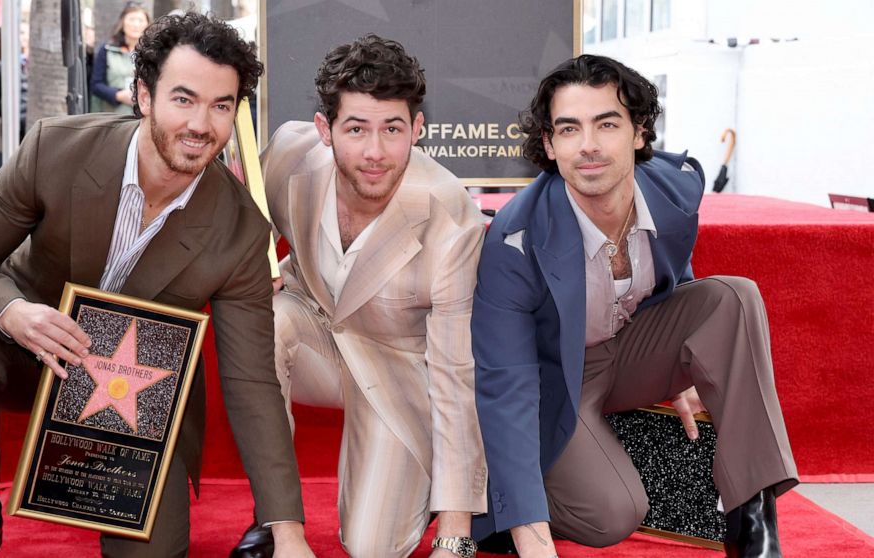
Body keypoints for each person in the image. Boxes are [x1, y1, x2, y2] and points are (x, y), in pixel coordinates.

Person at [0, 13, 312, 558]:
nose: (201, 124)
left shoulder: (242, 230)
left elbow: (251, 382)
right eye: (184, 99)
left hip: (139, 400)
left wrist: (288, 531)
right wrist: (14, 312)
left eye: (221, 105)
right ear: (142, 95)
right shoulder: (55, 150)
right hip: (30, 352)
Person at [470, 54, 798, 558]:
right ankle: (500, 508)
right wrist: (529, 535)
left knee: (732, 297)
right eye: (569, 129)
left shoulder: (674, 189)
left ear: (639, 133)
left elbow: (671, 273)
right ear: (549, 144)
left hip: (627, 344)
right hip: (553, 382)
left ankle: (752, 521)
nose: (590, 146)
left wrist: (687, 362)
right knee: (611, 516)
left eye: (607, 124)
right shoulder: (516, 239)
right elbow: (507, 387)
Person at [232, 34, 487, 558]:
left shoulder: (450, 218)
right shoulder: (287, 155)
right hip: (312, 333)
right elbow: (239, 215)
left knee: (374, 549)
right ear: (324, 130)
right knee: (264, 321)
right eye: (356, 129)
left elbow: (455, 371)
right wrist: (251, 264)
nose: (375, 152)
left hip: (399, 367)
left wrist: (458, 535)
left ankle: (445, 492)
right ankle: (274, 515)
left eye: (392, 129)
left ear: (417, 129)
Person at [91, 1, 150, 114]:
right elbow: (96, 85)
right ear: (123, 22)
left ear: (147, 24)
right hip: (113, 115)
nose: (136, 24)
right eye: (132, 19)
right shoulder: (107, 49)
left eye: (140, 20)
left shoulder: (153, 53)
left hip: (143, 116)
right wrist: (118, 95)